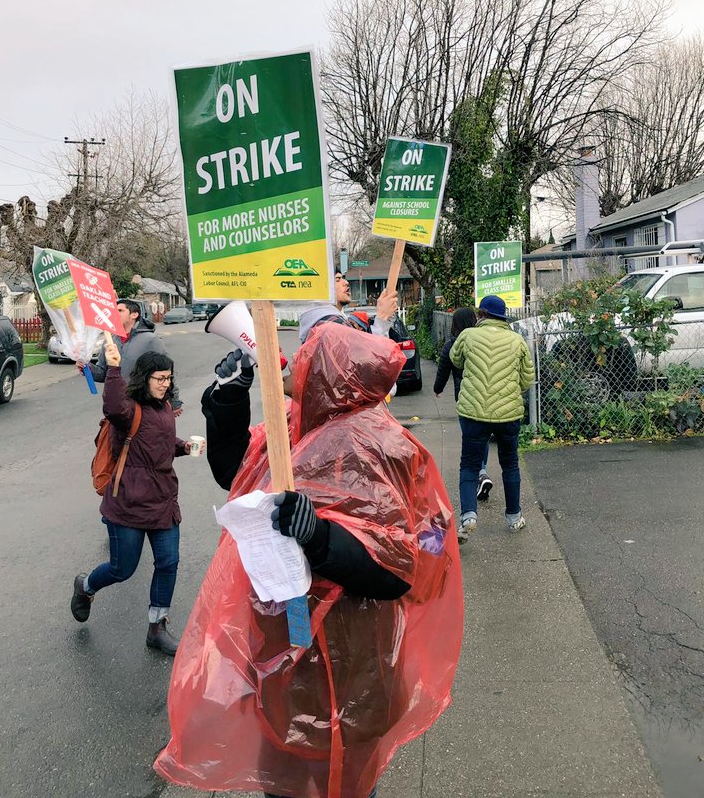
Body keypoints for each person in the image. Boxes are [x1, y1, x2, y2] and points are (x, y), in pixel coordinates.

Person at [155, 322, 463, 798]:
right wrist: (228, 400)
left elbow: (403, 566)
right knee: (285, 771)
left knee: (345, 781)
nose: (294, 362)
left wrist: (320, 539)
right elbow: (237, 471)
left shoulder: (382, 448)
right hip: (288, 652)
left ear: (331, 374)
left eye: (306, 355)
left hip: (355, 659)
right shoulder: (297, 428)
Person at [70, 341, 192, 655]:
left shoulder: (164, 407)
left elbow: (161, 439)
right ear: (143, 378)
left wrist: (183, 447)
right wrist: (112, 367)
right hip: (128, 503)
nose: (165, 385)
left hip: (163, 500)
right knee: (122, 569)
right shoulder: (127, 409)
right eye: (159, 379)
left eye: (168, 379)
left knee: (168, 563)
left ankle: (157, 627)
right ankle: (85, 586)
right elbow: (110, 406)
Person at [450, 294, 535, 543]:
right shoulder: (516, 340)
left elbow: (456, 359)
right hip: (508, 414)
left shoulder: (468, 335)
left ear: (481, 315)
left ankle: (468, 516)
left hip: (473, 412)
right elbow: (527, 378)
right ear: (503, 317)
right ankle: (513, 517)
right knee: (509, 463)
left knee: (469, 465)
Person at [78, 298, 183, 414]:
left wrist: (175, 401)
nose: (115, 314)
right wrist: (87, 367)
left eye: (120, 311)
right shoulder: (109, 341)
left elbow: (166, 373)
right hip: (118, 405)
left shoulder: (151, 340)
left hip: (144, 405)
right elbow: (103, 373)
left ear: (134, 314)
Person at [434, 308, 494, 504]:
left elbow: (443, 367)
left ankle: (480, 474)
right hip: (485, 394)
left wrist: (438, 388)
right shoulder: (483, 341)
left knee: (471, 436)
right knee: (483, 436)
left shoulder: (452, 344)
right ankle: (482, 471)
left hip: (464, 398)